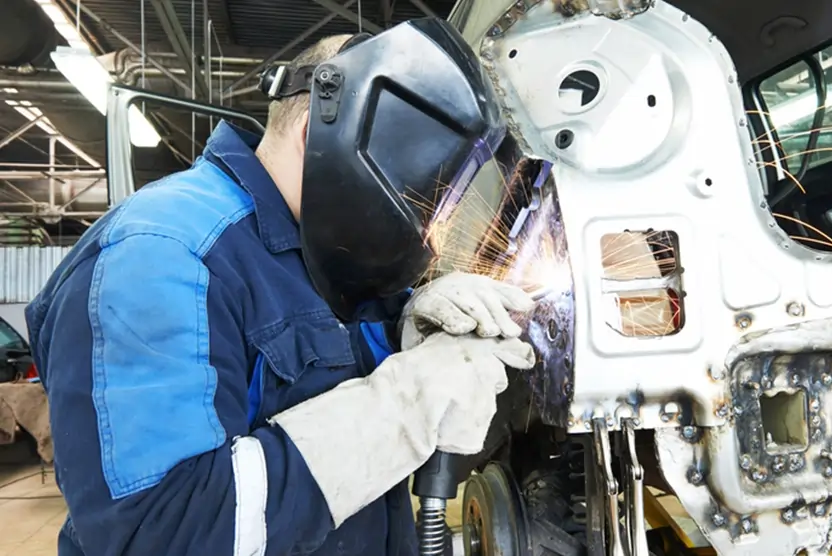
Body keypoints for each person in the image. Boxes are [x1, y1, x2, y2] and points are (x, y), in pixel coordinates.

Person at [26, 19, 536, 556]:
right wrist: (403, 410)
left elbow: (320, 374)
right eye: (416, 198)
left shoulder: (321, 251)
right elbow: (163, 532)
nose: (424, 224)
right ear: (319, 135)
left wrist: (406, 329)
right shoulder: (161, 252)